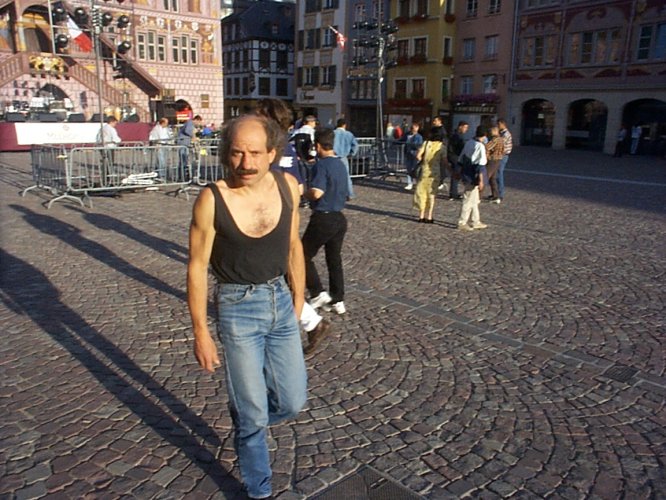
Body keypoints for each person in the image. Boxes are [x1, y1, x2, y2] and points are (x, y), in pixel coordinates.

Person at [187, 115, 308, 500]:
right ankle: (259, 490)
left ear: (272, 153)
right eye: (238, 153)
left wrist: (298, 299)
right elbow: (197, 267)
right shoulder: (213, 199)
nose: (246, 163)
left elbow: (293, 246)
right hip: (237, 308)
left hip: (280, 301)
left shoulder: (287, 187)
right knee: (254, 414)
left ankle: (247, 417)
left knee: (292, 401)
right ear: (227, 153)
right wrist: (201, 333)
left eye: (255, 153)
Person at [254, 99, 330, 351]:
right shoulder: (285, 146)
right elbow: (297, 187)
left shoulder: (270, 147)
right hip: (280, 216)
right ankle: (310, 321)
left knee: (270, 277)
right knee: (273, 276)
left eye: (259, 115)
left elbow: (291, 186)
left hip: (270, 218)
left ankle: (310, 322)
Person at [302, 127, 350, 316]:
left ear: (317, 145)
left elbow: (317, 192)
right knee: (334, 258)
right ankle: (338, 299)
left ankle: (317, 292)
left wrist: (302, 193)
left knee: (302, 255)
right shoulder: (341, 164)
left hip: (323, 217)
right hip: (339, 217)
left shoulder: (321, 166)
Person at [457, 126, 488, 231]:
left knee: (474, 200)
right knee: (468, 199)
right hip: (472, 175)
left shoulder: (469, 142)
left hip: (466, 172)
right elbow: (480, 165)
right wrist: (481, 180)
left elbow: (461, 158)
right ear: (484, 135)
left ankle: (476, 221)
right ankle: (462, 222)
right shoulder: (480, 146)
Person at [413, 126, 446, 223]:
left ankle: (421, 215)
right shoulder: (442, 146)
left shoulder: (426, 143)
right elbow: (444, 161)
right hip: (435, 173)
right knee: (432, 194)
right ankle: (429, 216)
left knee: (422, 193)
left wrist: (423, 161)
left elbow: (418, 156)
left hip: (424, 171)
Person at [333, 118, 358, 199]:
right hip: (343, 157)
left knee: (332, 175)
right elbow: (355, 146)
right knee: (346, 176)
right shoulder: (349, 134)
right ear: (344, 125)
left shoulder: (332, 133)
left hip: (333, 156)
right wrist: (351, 154)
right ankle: (349, 194)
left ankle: (333, 193)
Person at [446, 120, 468, 199]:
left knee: (456, 175)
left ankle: (453, 192)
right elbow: (459, 147)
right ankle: (453, 194)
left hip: (454, 156)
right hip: (456, 157)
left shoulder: (456, 135)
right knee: (456, 174)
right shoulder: (457, 136)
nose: (466, 129)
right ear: (460, 127)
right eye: (465, 127)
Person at [96, 115, 122, 186]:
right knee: (110, 163)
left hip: (102, 147)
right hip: (109, 148)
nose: (115, 125)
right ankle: (108, 179)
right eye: (115, 123)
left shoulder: (102, 128)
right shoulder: (111, 129)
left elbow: (98, 138)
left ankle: (104, 178)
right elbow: (116, 139)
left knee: (105, 163)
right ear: (112, 122)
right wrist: (119, 141)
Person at [177, 114, 203, 181]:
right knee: (183, 160)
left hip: (185, 144)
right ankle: (182, 176)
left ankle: (183, 175)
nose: (198, 124)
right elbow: (188, 131)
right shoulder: (190, 123)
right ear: (196, 120)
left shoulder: (190, 124)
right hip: (183, 143)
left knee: (185, 160)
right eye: (198, 122)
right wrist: (193, 136)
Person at [484, 125, 504, 203]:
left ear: (495, 131)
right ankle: (495, 195)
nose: (490, 132)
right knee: (493, 178)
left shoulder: (495, 139)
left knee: (485, 177)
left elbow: (487, 147)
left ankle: (479, 194)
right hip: (498, 159)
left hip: (492, 160)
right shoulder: (501, 139)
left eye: (491, 131)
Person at [403, 122, 424, 190]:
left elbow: (419, 146)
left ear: (417, 128)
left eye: (414, 128)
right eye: (412, 128)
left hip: (415, 155)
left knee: (416, 170)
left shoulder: (419, 137)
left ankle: (418, 183)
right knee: (408, 169)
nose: (413, 129)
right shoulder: (407, 135)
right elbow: (401, 140)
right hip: (408, 154)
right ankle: (410, 183)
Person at [497, 118, 512, 202]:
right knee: (497, 174)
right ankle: (497, 192)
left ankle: (500, 193)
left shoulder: (505, 134)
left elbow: (500, 144)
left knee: (499, 174)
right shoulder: (502, 133)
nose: (498, 126)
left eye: (498, 124)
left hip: (503, 155)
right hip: (501, 155)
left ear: (502, 124)